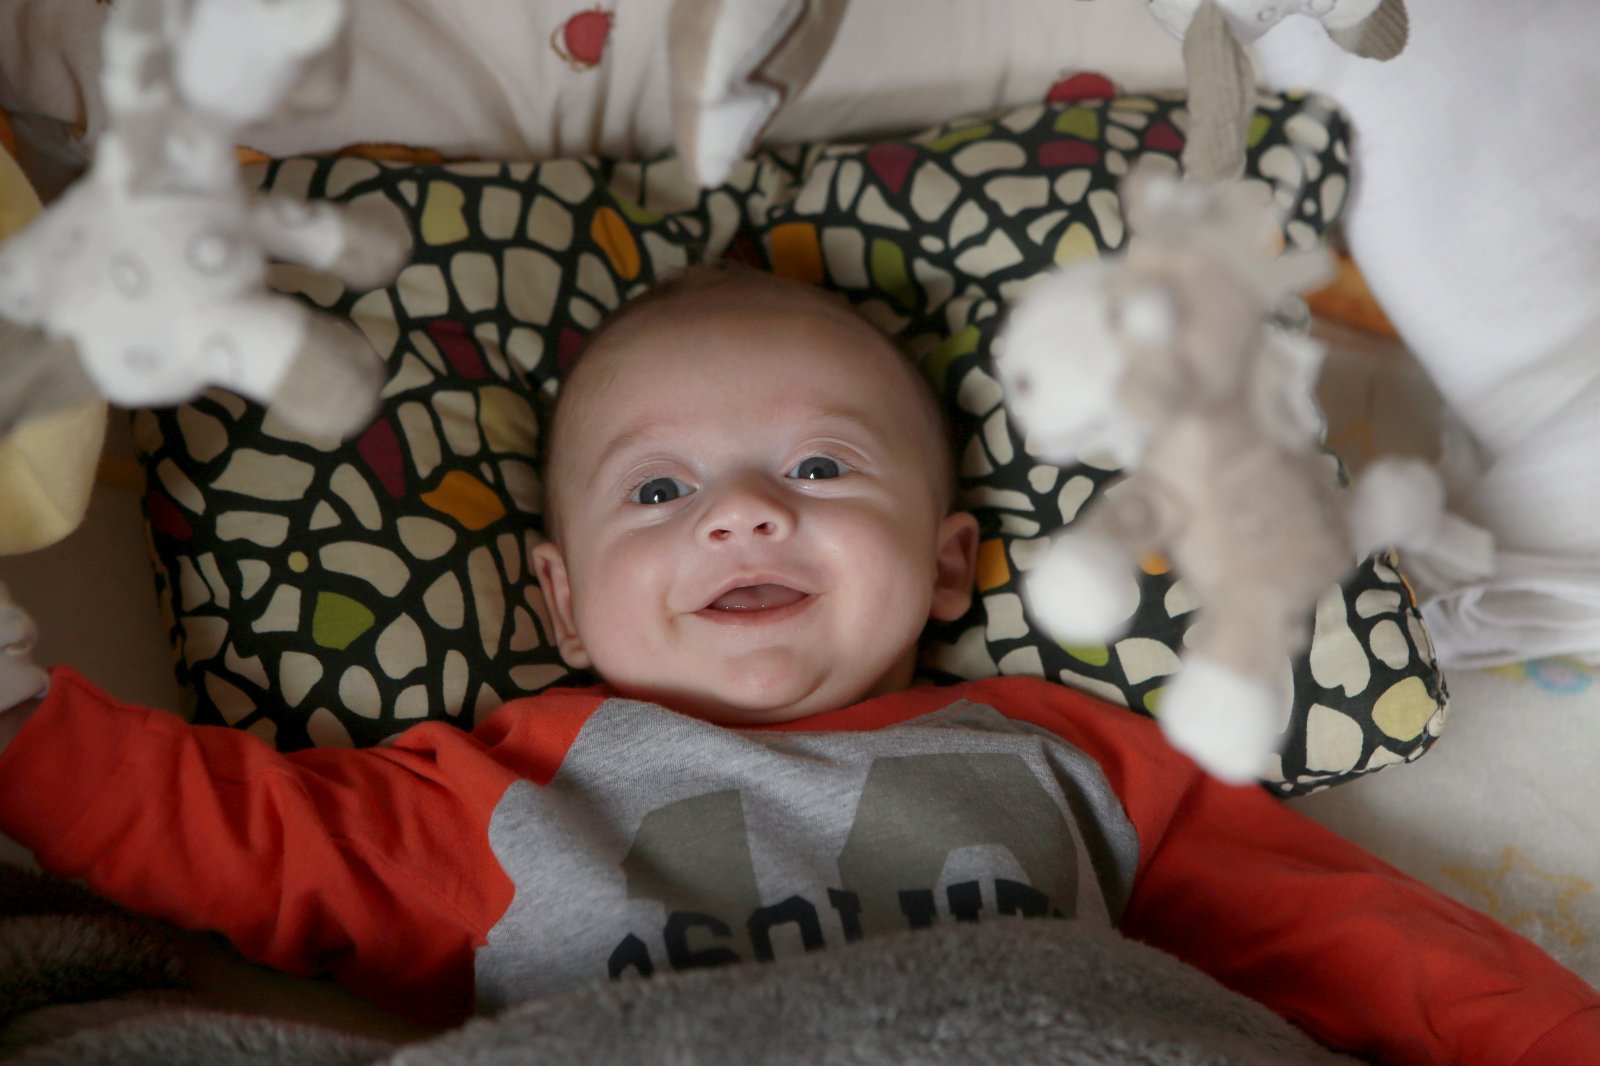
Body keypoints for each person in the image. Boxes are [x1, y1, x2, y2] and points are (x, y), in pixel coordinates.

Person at [0, 264, 1597, 1062]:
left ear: (951, 562)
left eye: (822, 468)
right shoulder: (494, 790)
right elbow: (224, 833)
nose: (745, 511)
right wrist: (20, 717)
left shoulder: (1072, 754)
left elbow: (1357, 938)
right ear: (561, 603)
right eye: (658, 491)